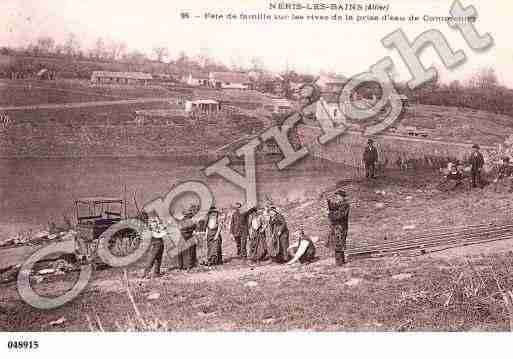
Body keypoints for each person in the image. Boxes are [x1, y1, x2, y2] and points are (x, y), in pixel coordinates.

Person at [326, 190, 350, 266]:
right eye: (336, 196)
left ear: (342, 197)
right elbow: (333, 206)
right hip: (337, 227)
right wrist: (328, 202)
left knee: (338, 244)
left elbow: (340, 215)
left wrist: (330, 214)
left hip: (341, 228)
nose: (337, 197)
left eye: (338, 196)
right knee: (338, 244)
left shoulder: (345, 204)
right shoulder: (341, 203)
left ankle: (339, 263)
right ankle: (341, 261)